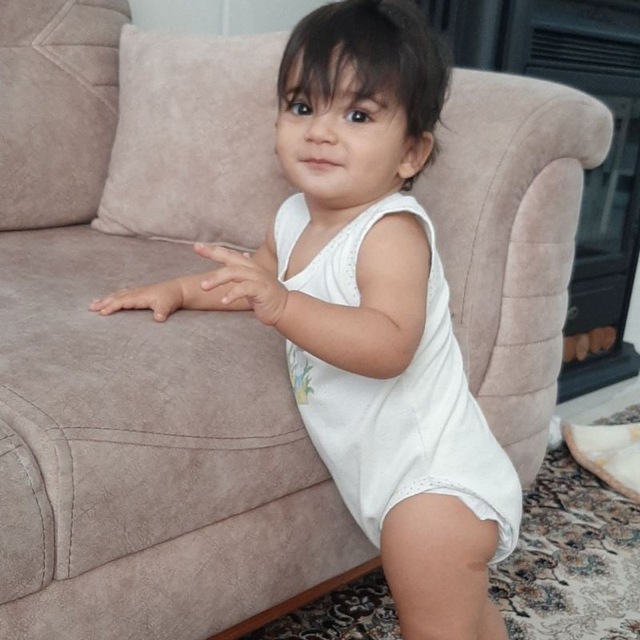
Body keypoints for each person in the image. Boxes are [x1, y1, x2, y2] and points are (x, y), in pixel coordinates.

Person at [90, 1, 523, 638]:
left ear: (411, 153)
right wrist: (181, 290)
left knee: (434, 628)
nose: (321, 131)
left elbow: (390, 345)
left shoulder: (390, 233)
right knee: (464, 619)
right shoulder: (294, 215)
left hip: (432, 484)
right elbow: (256, 282)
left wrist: (286, 306)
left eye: (357, 115)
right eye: (301, 106)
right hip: (386, 481)